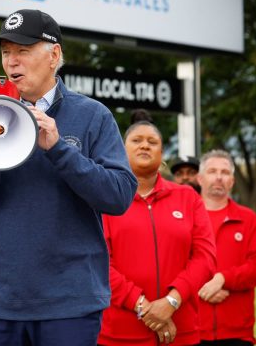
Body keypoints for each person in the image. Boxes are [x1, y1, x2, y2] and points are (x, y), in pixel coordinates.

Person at [0, 9, 138, 346]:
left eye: (22, 51)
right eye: (6, 53)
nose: (11, 62)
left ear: (53, 56)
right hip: (1, 305)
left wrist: (59, 150)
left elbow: (119, 196)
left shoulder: (93, 115)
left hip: (69, 305)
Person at [99, 121, 216, 345]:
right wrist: (143, 306)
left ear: (161, 154)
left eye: (152, 142)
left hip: (181, 331)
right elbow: (99, 261)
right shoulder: (105, 199)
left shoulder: (188, 198)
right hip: (119, 333)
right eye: (136, 140)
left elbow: (205, 256)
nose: (145, 146)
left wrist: (171, 302)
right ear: (121, 151)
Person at [196, 149, 256, 346]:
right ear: (200, 178)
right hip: (191, 329)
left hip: (237, 333)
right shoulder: (185, 218)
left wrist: (223, 279)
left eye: (225, 172)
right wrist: (202, 287)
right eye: (212, 171)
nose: (219, 177)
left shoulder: (248, 220)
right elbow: (171, 265)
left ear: (232, 181)